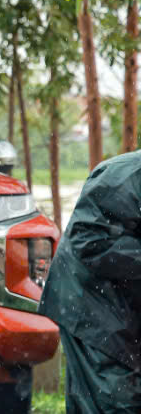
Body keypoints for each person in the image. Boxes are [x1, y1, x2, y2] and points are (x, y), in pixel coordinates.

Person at [39, 150, 141, 413]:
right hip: (90, 306)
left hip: (122, 308)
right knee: (113, 401)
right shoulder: (123, 177)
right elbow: (89, 241)